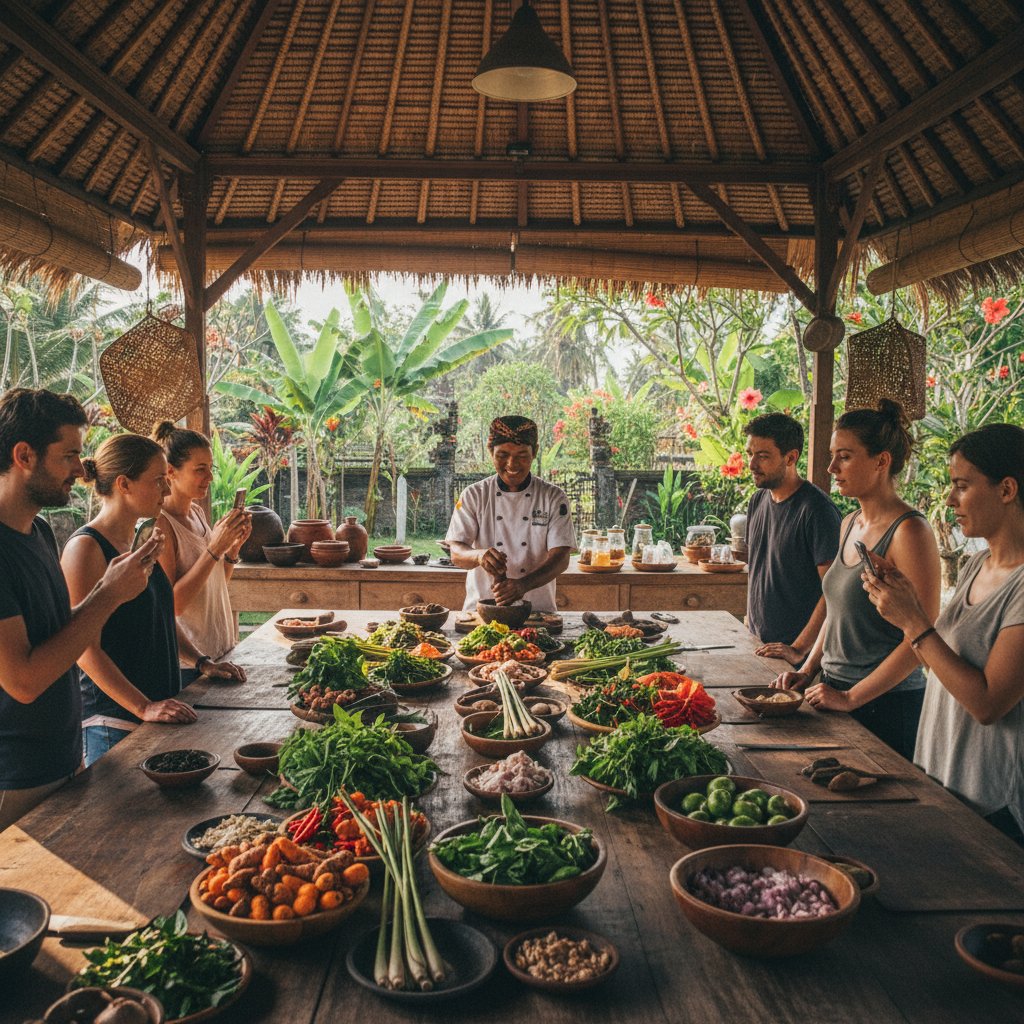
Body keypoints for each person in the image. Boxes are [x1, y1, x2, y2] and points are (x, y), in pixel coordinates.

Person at [0, 389, 157, 830]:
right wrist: (107, 596)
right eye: (69, 455)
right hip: (15, 778)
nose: (80, 469)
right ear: (24, 454)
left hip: (65, 760)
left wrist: (112, 591)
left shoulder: (40, 532)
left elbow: (61, 635)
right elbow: (24, 681)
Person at [864, 424, 1024, 842]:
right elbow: (946, 661)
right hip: (943, 781)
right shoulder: (976, 565)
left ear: (1007, 489)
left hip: (993, 806)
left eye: (962, 486)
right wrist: (907, 604)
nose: (950, 499)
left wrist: (913, 622)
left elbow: (988, 702)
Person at [772, 400, 941, 760]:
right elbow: (836, 611)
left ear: (882, 461)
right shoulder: (849, 523)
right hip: (832, 691)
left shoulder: (909, 531)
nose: (832, 467)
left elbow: (923, 636)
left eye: (845, 457)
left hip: (887, 704)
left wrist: (852, 697)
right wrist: (808, 669)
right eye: (833, 455)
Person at [61, 434, 200, 766]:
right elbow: (83, 649)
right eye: (158, 481)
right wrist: (142, 706)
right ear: (124, 484)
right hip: (115, 722)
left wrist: (202, 661)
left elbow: (161, 616)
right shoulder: (86, 549)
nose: (167, 491)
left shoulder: (139, 542)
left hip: (156, 713)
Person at [153, 421, 250, 685]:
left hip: (219, 652)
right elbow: (172, 605)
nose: (209, 477)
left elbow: (212, 585)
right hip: (190, 664)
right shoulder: (161, 524)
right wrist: (214, 548)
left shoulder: (196, 512)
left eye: (210, 468)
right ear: (171, 471)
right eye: (200, 470)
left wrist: (231, 551)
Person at [446, 416, 575, 611]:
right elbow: (456, 551)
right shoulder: (474, 495)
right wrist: (478, 556)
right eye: (502, 455)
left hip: (538, 612)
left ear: (535, 452)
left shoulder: (553, 497)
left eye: (522, 455)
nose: (512, 464)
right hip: (481, 611)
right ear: (491, 452)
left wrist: (523, 585)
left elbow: (561, 558)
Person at [743, 413, 841, 664]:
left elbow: (835, 592)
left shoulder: (817, 510)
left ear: (791, 457)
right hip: (759, 645)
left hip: (796, 658)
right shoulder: (758, 501)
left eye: (763, 456)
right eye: (750, 454)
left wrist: (798, 649)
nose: (752, 464)